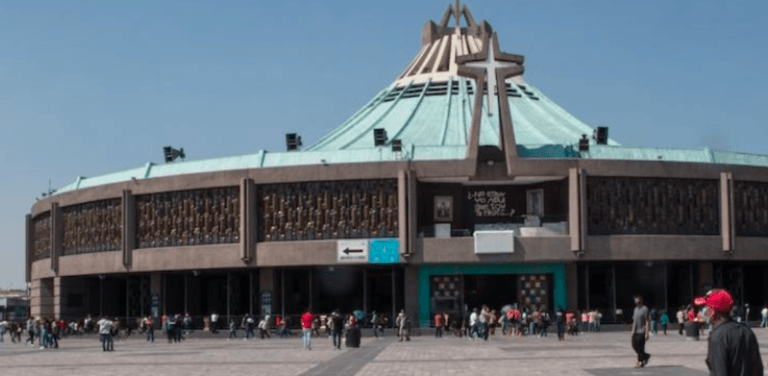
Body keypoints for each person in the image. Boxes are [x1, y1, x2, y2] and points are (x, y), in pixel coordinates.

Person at [697, 289, 763, 376]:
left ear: (712, 312)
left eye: (706, 307)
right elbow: (758, 368)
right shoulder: (747, 331)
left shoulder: (718, 336)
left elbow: (719, 372)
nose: (704, 311)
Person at [631, 295, 651, 368]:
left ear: (641, 301)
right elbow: (634, 321)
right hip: (635, 331)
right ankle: (645, 356)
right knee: (634, 345)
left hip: (641, 331)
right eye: (636, 302)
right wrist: (632, 331)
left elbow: (647, 321)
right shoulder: (635, 309)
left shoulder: (645, 309)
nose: (637, 303)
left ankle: (640, 361)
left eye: (638, 302)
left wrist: (647, 333)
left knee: (640, 347)